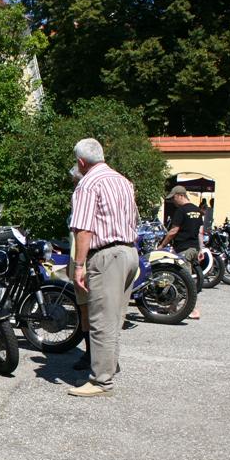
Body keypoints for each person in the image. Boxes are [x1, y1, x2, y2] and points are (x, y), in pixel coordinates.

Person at [68, 138, 139, 398]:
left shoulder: (88, 184)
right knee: (115, 318)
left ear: (81, 162)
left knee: (100, 320)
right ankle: (107, 369)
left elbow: (84, 229)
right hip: (129, 252)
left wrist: (78, 266)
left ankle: (101, 381)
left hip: (106, 255)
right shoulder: (122, 180)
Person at [158, 185, 202, 319]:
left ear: (180, 195)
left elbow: (173, 230)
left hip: (184, 249)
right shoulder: (197, 210)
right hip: (194, 248)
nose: (173, 202)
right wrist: (201, 249)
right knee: (183, 279)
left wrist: (161, 245)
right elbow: (200, 231)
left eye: (173, 198)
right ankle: (173, 307)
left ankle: (193, 310)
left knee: (184, 281)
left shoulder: (181, 211)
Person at [66, 165, 93, 371]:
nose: (74, 185)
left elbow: (82, 233)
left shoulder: (84, 193)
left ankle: (91, 355)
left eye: (74, 181)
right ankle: (99, 356)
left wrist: (78, 266)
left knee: (87, 311)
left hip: (84, 260)